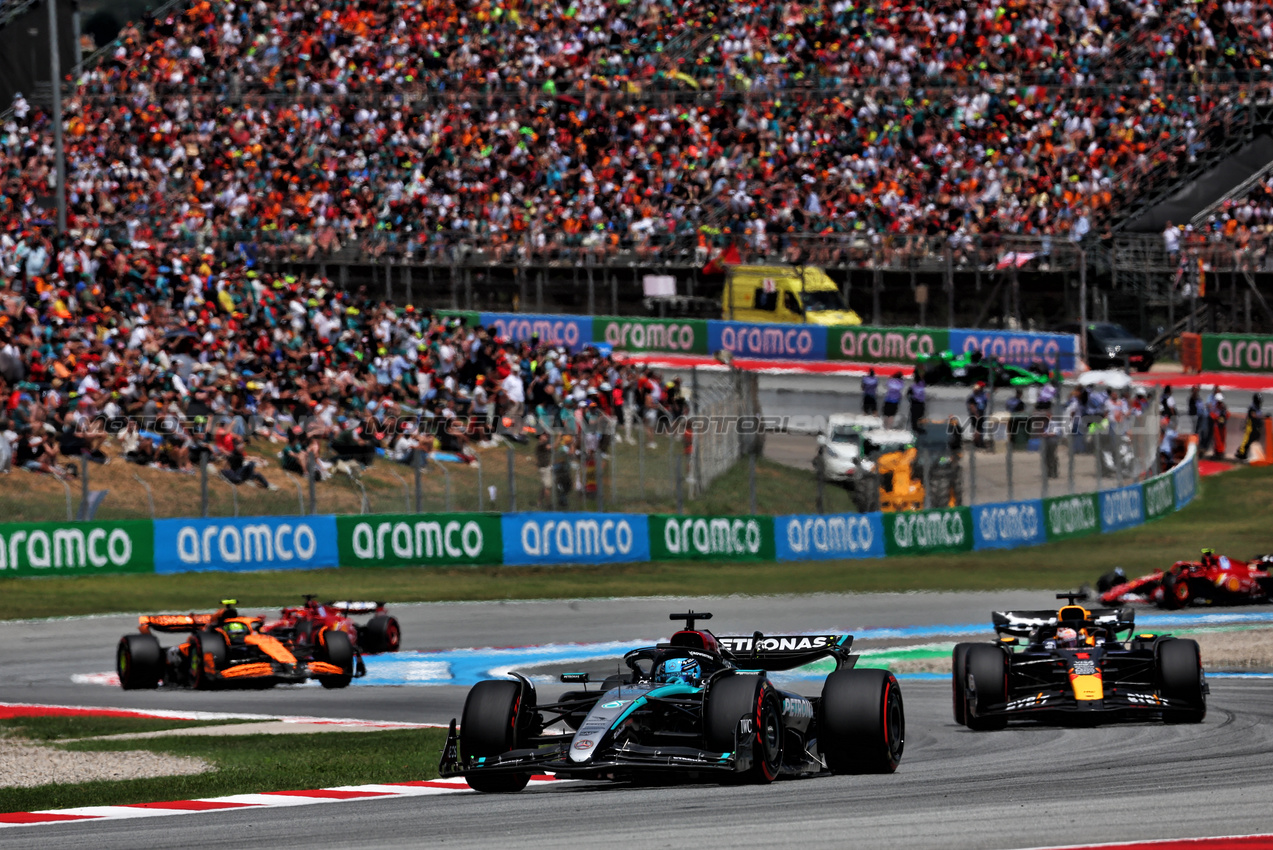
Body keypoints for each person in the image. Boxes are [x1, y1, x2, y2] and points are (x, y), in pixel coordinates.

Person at [1237, 393, 1265, 461]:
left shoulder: (1257, 407)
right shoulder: (1252, 407)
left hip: (1255, 427)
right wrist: (1263, 417)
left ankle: (1242, 452)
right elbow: (1253, 415)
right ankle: (1241, 453)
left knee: (1250, 441)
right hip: (1250, 426)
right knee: (1246, 440)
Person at [966, 381, 989, 449]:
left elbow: (985, 399)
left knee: (979, 429)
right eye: (981, 387)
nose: (982, 388)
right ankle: (977, 443)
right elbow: (972, 406)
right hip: (976, 414)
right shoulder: (972, 397)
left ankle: (979, 442)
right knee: (978, 429)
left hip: (981, 413)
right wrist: (976, 414)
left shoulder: (982, 395)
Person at [1210, 391, 1228, 459]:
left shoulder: (1224, 407)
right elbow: (1212, 414)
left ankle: (1221, 453)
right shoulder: (1215, 407)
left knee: (1222, 439)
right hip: (1217, 426)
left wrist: (1223, 418)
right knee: (1217, 440)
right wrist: (1217, 418)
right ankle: (1217, 452)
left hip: (1222, 426)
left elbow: (1227, 414)